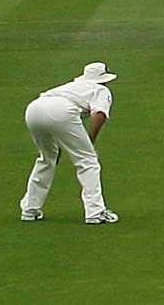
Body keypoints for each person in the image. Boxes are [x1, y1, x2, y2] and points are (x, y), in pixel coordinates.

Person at [21, 61, 119, 224]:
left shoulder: (71, 86)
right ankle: (95, 212)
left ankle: (30, 209)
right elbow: (99, 114)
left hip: (34, 109)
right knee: (88, 160)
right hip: (62, 110)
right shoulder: (101, 90)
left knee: (47, 158)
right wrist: (90, 140)